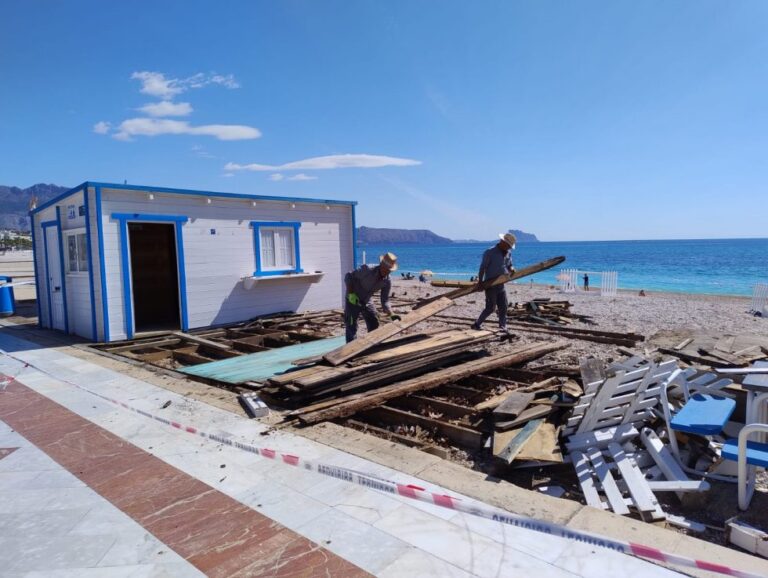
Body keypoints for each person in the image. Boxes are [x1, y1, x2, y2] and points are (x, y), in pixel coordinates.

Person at [344, 252, 401, 342]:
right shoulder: (367, 269)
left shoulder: (387, 281)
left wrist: (391, 313)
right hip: (353, 298)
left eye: (390, 270)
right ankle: (351, 348)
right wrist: (351, 293)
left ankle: (371, 344)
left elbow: (385, 300)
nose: (388, 272)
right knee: (351, 325)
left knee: (374, 322)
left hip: (366, 300)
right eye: (386, 269)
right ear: (381, 265)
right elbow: (348, 276)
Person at [471, 233, 516, 332]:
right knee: (490, 308)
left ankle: (502, 326)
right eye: (508, 245)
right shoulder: (490, 252)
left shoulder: (508, 253)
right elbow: (482, 268)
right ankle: (477, 324)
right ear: (502, 242)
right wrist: (480, 282)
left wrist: (512, 269)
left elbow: (509, 265)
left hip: (501, 283)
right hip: (490, 284)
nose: (509, 248)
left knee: (503, 306)